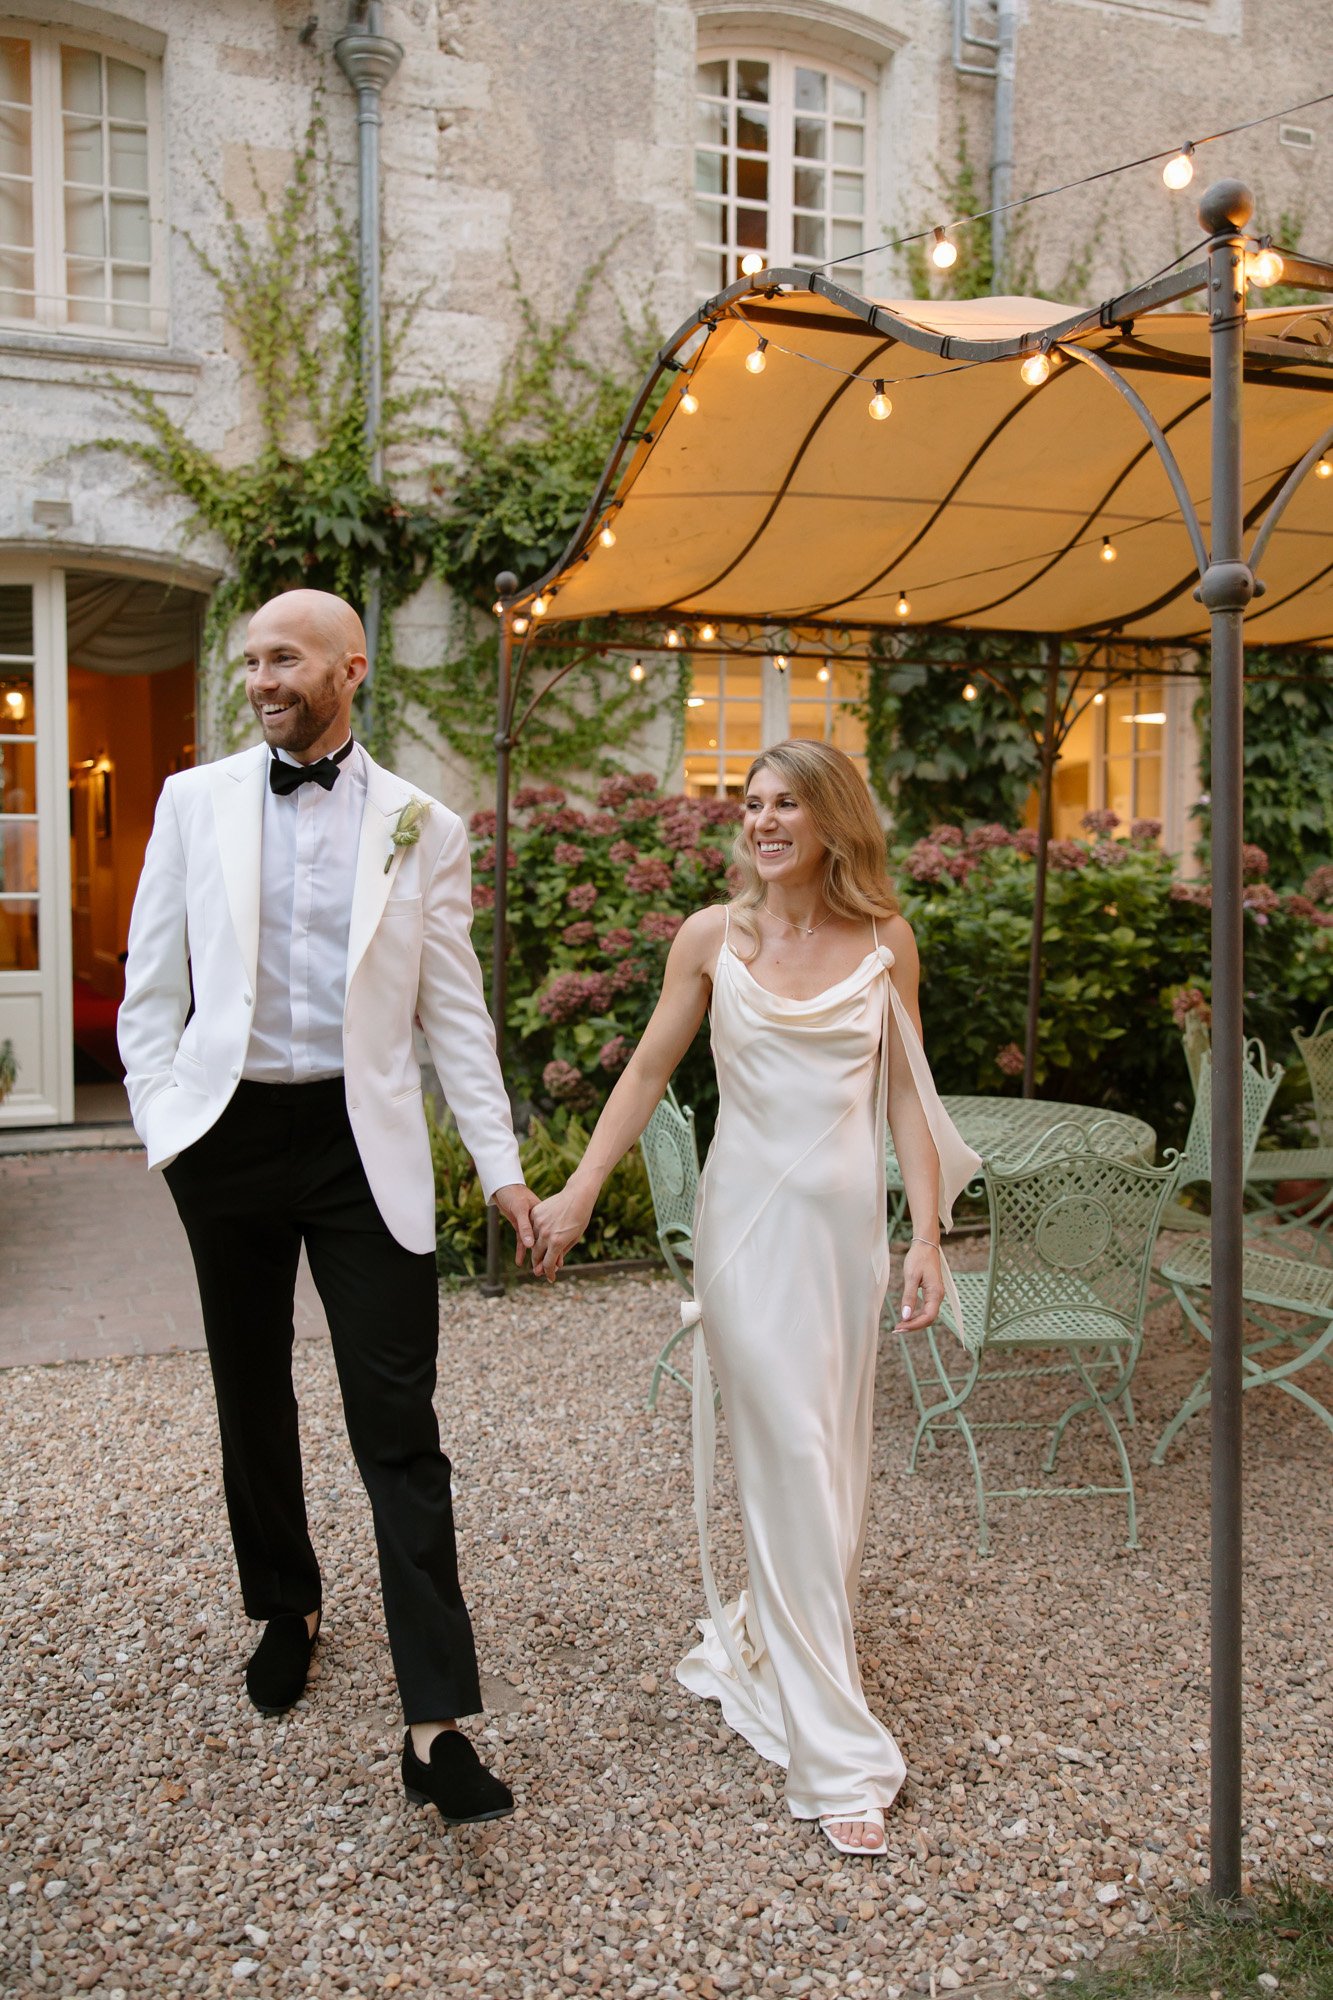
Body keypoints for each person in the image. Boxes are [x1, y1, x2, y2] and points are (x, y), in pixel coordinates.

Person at [118, 588, 538, 1827]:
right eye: (250, 659)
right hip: (229, 1136)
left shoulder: (424, 821)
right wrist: (167, 1129)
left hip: (365, 1151)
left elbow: (454, 1015)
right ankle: (285, 1604)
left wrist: (502, 1164)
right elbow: (151, 988)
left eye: (284, 657)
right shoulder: (193, 802)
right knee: (251, 1389)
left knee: (397, 1418)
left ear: (349, 667)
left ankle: (436, 1722)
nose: (260, 677)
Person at [529, 741, 979, 1856]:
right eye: (753, 803)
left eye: (789, 804)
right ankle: (837, 1753)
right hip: (744, 1232)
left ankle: (788, 1640)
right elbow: (643, 1071)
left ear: (834, 820)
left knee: (825, 1460)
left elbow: (908, 1102)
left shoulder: (886, 942)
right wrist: (581, 1190)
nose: (765, 820)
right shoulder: (707, 938)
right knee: (782, 1444)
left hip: (842, 1241)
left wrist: (926, 1234)